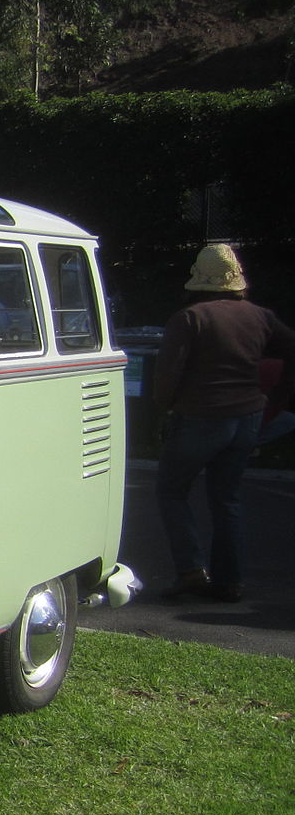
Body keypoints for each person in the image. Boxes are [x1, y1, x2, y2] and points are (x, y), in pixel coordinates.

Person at [153, 243, 295, 602]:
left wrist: (164, 409)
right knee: (226, 499)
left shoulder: (190, 318)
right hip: (246, 416)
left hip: (199, 416)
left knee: (172, 490)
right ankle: (229, 581)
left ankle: (191, 570)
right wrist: (278, 399)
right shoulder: (260, 316)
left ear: (199, 281)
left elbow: (168, 376)